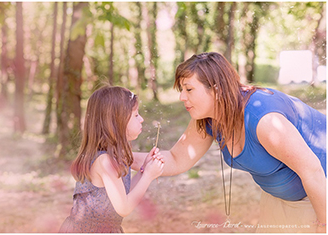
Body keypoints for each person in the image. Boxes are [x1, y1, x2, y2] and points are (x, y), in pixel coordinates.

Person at [133, 52, 326, 233]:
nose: (182, 97)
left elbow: (313, 172)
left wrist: (324, 225)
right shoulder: (207, 118)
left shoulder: (264, 119)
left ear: (216, 89)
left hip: (319, 194)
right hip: (279, 198)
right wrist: (120, 157)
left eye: (189, 89)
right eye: (182, 90)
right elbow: (176, 159)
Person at [59, 86, 164, 233]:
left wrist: (143, 171)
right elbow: (124, 208)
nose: (142, 119)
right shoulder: (105, 161)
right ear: (116, 122)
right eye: (135, 115)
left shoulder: (114, 156)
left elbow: (123, 194)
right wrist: (148, 176)